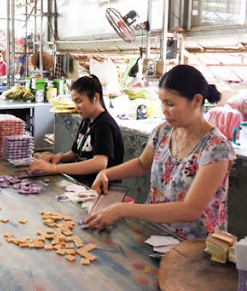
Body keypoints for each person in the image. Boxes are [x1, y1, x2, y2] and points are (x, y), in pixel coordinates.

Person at [86, 65, 236, 240]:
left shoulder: (216, 148)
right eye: (162, 102)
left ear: (196, 100)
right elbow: (142, 163)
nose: (164, 110)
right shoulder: (163, 132)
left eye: (170, 104)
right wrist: (106, 173)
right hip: (156, 232)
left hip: (194, 244)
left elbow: (190, 209)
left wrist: (123, 209)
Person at [30, 75, 124, 186]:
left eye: (79, 101)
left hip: (98, 188)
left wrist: (54, 168)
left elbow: (99, 163)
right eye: (74, 102)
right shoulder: (87, 120)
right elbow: (75, 154)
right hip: (81, 183)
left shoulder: (104, 125)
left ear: (95, 97)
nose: (76, 106)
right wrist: (59, 157)